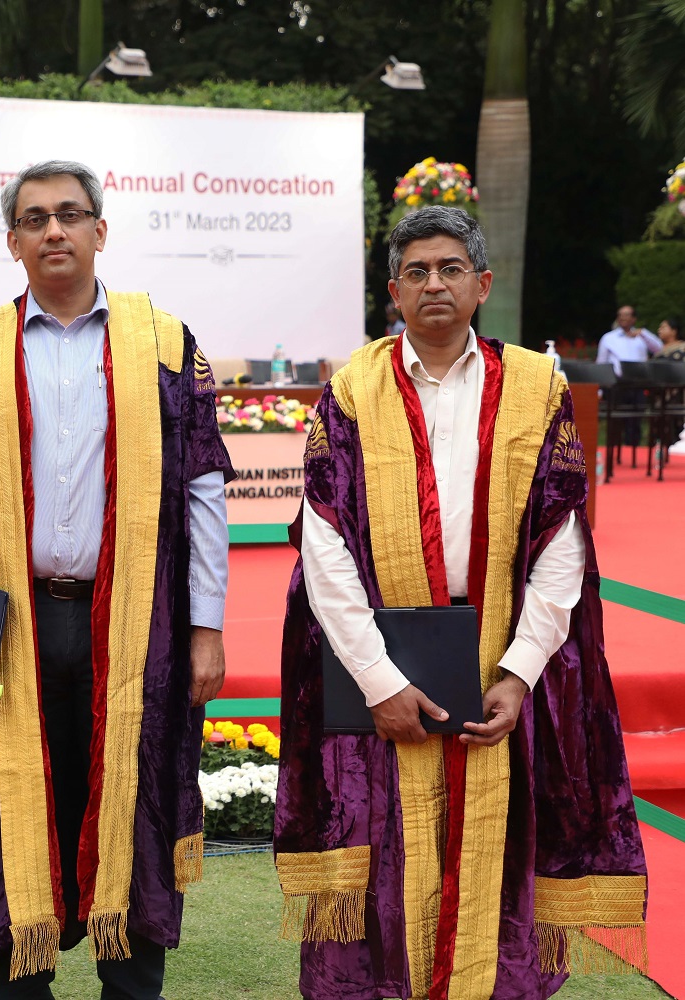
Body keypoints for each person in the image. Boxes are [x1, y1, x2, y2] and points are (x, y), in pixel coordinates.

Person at [275, 205, 648, 999]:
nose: (434, 284)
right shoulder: (351, 391)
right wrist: (378, 680)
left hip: (498, 658)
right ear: (394, 292)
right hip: (381, 655)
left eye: (450, 269)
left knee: (497, 851)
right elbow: (324, 544)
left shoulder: (536, 388)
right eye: (417, 271)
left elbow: (561, 545)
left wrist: (517, 675)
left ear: (481, 284)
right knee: (381, 850)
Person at [0, 160, 235, 1000]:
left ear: (101, 228)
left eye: (69, 214)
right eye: (35, 219)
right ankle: (18, 983)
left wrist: (207, 626)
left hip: (133, 626)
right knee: (12, 798)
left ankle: (132, 984)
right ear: (13, 240)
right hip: (7, 627)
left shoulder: (165, 344)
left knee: (132, 798)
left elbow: (203, 489)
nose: (53, 230)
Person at [595, 304, 661, 373]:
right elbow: (601, 362)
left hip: (640, 378)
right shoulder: (608, 338)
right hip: (617, 379)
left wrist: (644, 334)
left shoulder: (642, 336)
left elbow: (659, 349)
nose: (622, 318)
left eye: (626, 315)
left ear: (634, 318)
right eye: (620, 315)